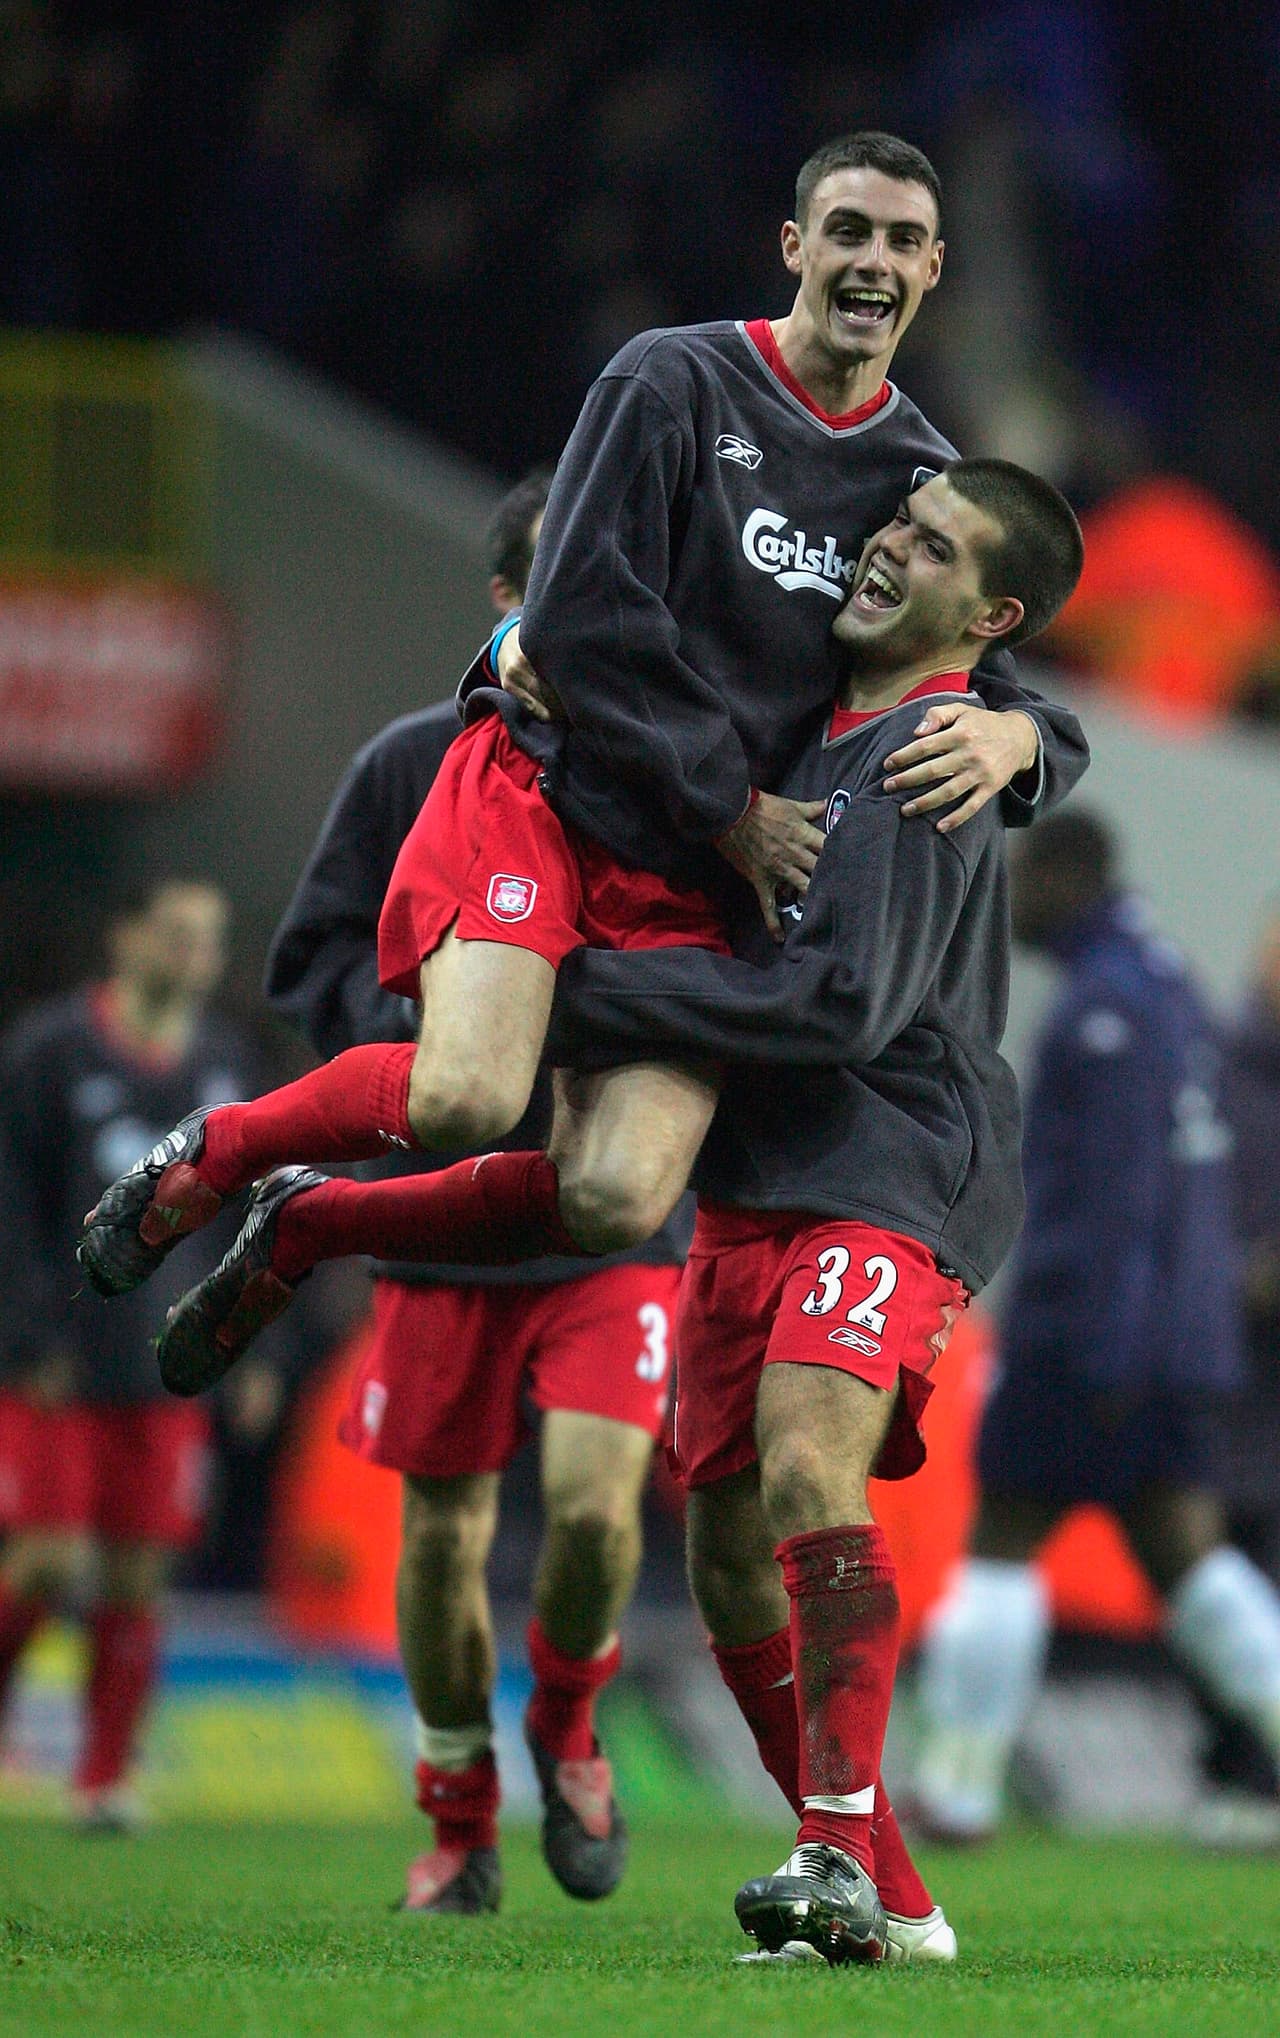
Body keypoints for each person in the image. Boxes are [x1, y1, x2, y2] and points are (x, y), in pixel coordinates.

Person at [139, 458, 1086, 1963]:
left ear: (994, 615)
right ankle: (890, 1892)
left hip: (893, 1159)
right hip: (743, 1171)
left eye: (931, 544)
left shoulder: (926, 756)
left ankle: (824, 1845)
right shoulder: (760, 724)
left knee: (797, 1457)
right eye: (892, 525)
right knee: (710, 1545)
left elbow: (840, 998)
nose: (886, 550)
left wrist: (549, 1003)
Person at [77, 131, 1089, 1325]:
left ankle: (311, 1220)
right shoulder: (670, 381)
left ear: (932, 271)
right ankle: (217, 1148)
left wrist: (1026, 745)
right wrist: (729, 805)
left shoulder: (920, 477)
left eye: (903, 241)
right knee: (461, 1096)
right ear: (794, 246)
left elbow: (1000, 670)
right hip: (558, 803)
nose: (873, 260)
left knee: (614, 1195)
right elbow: (568, 616)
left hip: (696, 883)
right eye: (849, 231)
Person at [262, 471, 685, 1915]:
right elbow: (312, 961)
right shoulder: (408, 764)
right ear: (510, 603)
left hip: (605, 1210)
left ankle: (567, 1722)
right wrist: (444, 1055)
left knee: (591, 1508)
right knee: (439, 1531)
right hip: (448, 1213)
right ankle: (458, 1817)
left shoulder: (673, 764)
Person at [909, 814, 1280, 1843]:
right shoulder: (1163, 982)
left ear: (1069, 876)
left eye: (1024, 877)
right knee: (1189, 1560)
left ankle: (957, 1788)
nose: (1011, 897)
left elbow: (1116, 1198)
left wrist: (1096, 1348)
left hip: (1093, 1338)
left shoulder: (1101, 1009)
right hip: (1164, 1336)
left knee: (1000, 1543)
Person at [0, 880, 247, 1826]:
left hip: (167, 1359)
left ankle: (102, 1779)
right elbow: (13, 1205)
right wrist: (25, 1331)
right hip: (55, 1359)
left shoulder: (224, 1064)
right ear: (127, 935)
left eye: (208, 940)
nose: (192, 955)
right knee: (47, 1564)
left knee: (141, 1572)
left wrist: (252, 1342)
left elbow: (250, 1213)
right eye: (175, 935)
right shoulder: (46, 1052)